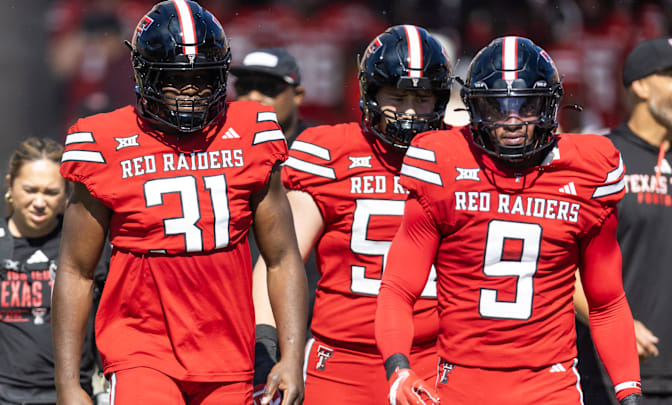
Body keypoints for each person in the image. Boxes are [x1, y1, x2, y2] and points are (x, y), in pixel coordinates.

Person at [51, 1, 308, 405]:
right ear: (144, 74)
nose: (191, 91)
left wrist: (292, 357)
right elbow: (75, 271)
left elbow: (282, 258)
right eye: (175, 80)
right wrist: (67, 382)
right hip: (140, 347)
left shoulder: (251, 129)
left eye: (204, 78)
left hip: (229, 347)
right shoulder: (103, 141)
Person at [375, 36, 642, 405]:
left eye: (526, 105)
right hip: (461, 382)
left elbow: (607, 301)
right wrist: (399, 368)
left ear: (549, 105)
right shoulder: (442, 160)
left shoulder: (588, 168)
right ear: (474, 108)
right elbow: (398, 288)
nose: (513, 121)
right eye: (498, 108)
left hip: (551, 386)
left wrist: (628, 391)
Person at [252, 25, 451, 404]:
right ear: (370, 93)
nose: (409, 111)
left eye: (421, 98)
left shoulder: (460, 154)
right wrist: (267, 343)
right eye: (397, 96)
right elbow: (282, 256)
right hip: (342, 362)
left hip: (434, 356)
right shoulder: (330, 151)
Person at [0, 137, 106, 404]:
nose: (39, 201)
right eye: (30, 189)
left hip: (68, 396)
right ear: (9, 183)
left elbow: (111, 317)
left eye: (50, 192)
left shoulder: (87, 245)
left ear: (66, 194)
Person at [576, 37, 672, 405]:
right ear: (641, 85)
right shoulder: (601, 158)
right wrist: (619, 327)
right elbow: (564, 263)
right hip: (616, 377)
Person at [229, 47, 319, 389]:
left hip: (303, 328)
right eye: (245, 86)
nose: (253, 97)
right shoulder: (210, 149)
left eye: (268, 89)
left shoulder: (320, 154)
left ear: (298, 95)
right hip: (229, 327)